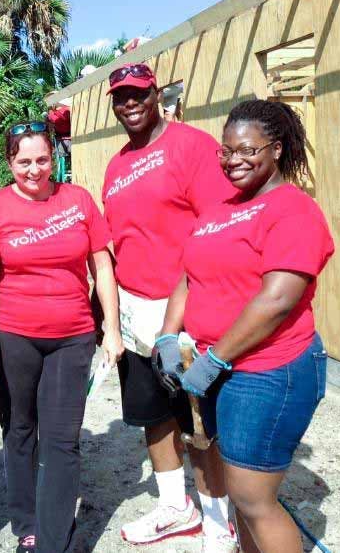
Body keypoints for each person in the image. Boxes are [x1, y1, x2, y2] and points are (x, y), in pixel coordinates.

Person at [156, 99, 334, 553]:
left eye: (247, 150)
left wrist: (215, 359)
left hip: (271, 370)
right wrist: (168, 334)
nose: (233, 161)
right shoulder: (219, 209)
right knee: (237, 491)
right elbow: (187, 276)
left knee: (254, 497)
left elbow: (277, 299)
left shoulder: (293, 209)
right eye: (226, 151)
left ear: (276, 149)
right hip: (221, 369)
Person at [101, 62, 238, 551]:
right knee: (152, 412)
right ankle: (174, 508)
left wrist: (192, 307)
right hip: (136, 309)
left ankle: (219, 520)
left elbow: (219, 227)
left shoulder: (192, 147)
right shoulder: (116, 166)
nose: (130, 103)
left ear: (156, 93)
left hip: (185, 308)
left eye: (139, 93)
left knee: (197, 418)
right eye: (121, 97)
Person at [0, 122, 124, 553]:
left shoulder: (78, 200)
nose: (34, 170)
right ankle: (26, 523)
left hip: (72, 337)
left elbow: (102, 266)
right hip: (13, 335)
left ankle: (51, 542)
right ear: (10, 162)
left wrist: (113, 331)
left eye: (42, 160)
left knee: (62, 439)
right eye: (23, 161)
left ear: (54, 159)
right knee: (20, 429)